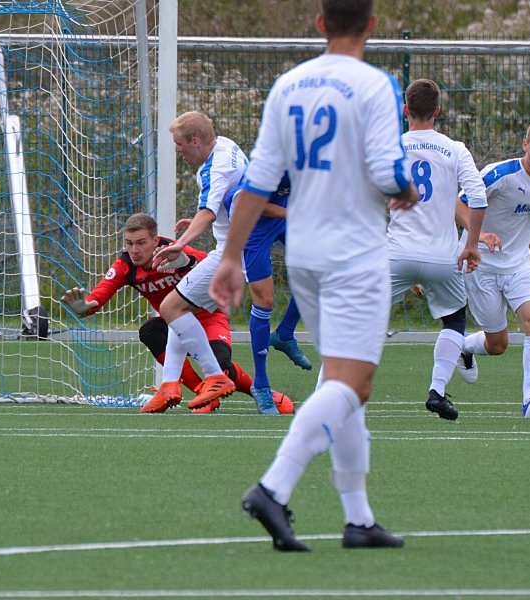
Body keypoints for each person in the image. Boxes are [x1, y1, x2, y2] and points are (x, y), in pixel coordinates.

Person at [210, 0, 419, 551]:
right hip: (353, 254)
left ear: (321, 23)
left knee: (341, 380)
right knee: (352, 383)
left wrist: (230, 256)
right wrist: (409, 191)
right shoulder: (376, 84)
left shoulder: (289, 85)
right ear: (371, 24)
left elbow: (256, 181)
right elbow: (389, 172)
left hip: (304, 252)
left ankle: (358, 519)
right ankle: (272, 489)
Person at [60, 213, 293, 414]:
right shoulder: (125, 265)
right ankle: (202, 392)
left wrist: (188, 261)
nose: (134, 250)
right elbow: (101, 292)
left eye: (141, 243)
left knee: (223, 369)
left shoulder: (174, 250)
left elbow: (214, 265)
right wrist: (88, 306)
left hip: (209, 318)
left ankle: (259, 391)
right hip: (174, 324)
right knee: (150, 330)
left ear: (155, 241)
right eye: (129, 243)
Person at [387, 78, 487, 421]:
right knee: (455, 319)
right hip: (444, 258)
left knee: (360, 320)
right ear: (438, 111)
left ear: (405, 110)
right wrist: (471, 245)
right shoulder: (455, 148)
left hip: (397, 255)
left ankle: (330, 391)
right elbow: (478, 197)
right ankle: (437, 392)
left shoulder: (391, 146)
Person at [456, 120, 530, 418]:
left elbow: (520, 227)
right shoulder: (499, 174)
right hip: (481, 267)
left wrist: (520, 255)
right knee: (498, 344)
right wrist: (480, 236)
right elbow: (459, 204)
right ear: (525, 145)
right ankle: (462, 347)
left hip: (518, 266)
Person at [150, 112, 246, 412]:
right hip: (242, 248)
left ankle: (215, 376)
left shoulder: (215, 169)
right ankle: (169, 384)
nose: (176, 149)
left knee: (170, 307)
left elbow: (209, 211)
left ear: (195, 141)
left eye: (179, 143)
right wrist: (199, 222)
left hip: (233, 254)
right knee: (180, 310)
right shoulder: (226, 146)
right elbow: (228, 203)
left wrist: (181, 243)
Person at [224, 173, 313, 416]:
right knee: (265, 300)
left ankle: (284, 334)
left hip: (281, 216)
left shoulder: (315, 157)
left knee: (315, 271)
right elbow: (253, 202)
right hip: (251, 222)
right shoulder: (273, 163)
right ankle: (261, 384)